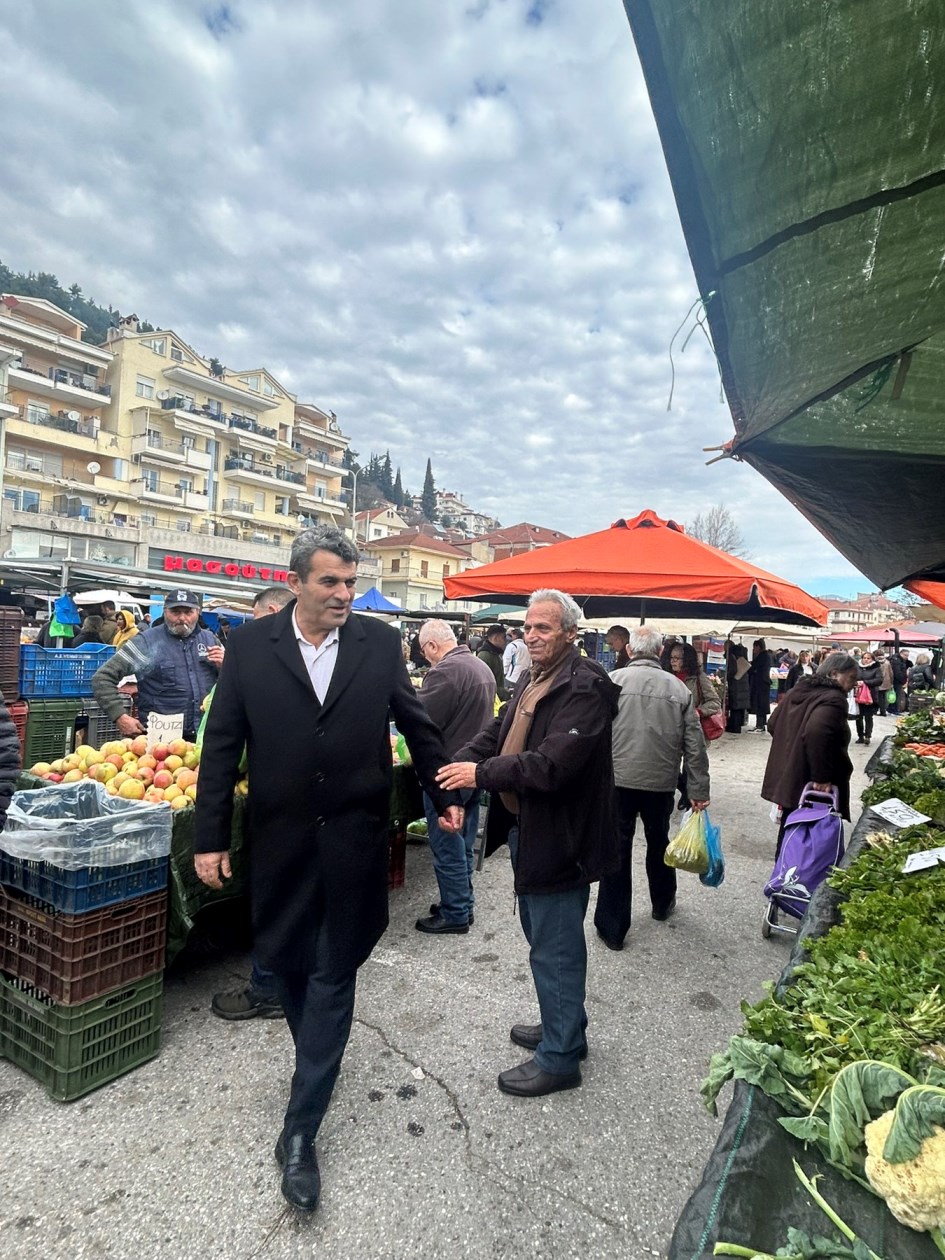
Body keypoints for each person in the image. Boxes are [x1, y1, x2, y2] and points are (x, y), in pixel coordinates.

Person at [194, 527, 462, 1213]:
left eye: (350, 581)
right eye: (331, 583)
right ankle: (315, 1057)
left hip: (353, 839)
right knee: (284, 964)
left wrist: (444, 792)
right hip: (279, 841)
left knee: (331, 969)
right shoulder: (252, 646)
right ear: (296, 584)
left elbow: (415, 725)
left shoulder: (377, 643)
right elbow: (222, 745)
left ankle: (299, 1128)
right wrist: (208, 837)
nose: (345, 594)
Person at [437, 589, 618, 1099]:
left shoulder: (585, 687)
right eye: (528, 627)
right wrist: (457, 772)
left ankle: (560, 1058)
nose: (531, 636)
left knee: (555, 947)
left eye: (543, 628)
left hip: (562, 837)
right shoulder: (533, 676)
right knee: (544, 939)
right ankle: (566, 1026)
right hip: (529, 829)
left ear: (570, 634)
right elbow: (498, 731)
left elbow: (552, 766)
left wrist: (480, 772)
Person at [594, 625, 710, 949]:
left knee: (616, 849)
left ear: (629, 651)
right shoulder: (678, 690)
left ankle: (613, 927)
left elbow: (594, 734)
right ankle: (662, 903)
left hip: (617, 781)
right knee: (659, 841)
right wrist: (698, 789)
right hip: (661, 782)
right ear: (659, 652)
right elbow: (694, 746)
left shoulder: (611, 682)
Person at [211, 585, 295, 1022]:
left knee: (276, 898)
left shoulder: (257, 659)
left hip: (277, 806)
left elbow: (229, 747)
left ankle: (269, 986)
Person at [414, 619, 495, 933]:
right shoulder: (479, 666)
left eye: (424, 652)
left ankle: (456, 912)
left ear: (432, 646)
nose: (426, 658)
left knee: (447, 845)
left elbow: (421, 721)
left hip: (448, 773)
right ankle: (462, 901)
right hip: (472, 770)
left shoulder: (446, 671)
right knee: (461, 842)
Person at [91, 590, 224, 741]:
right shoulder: (146, 642)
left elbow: (228, 684)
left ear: (198, 612)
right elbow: (102, 678)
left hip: (205, 735)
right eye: (175, 612)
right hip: (162, 740)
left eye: (188, 612)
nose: (182, 618)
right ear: (165, 612)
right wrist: (120, 717)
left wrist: (224, 667)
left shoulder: (210, 640)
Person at [762, 651, 859, 856]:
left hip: (791, 774)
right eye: (851, 678)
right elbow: (817, 733)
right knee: (813, 831)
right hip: (813, 780)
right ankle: (801, 879)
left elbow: (773, 724)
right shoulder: (834, 699)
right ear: (834, 674)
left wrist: (790, 746)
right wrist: (821, 776)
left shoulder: (800, 690)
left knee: (791, 827)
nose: (854, 684)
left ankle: (783, 875)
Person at [660, 640, 719, 810]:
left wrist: (698, 712)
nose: (674, 661)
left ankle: (687, 797)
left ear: (687, 660)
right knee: (670, 764)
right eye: (672, 657)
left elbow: (714, 702)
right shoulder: (666, 677)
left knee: (690, 765)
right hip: (670, 728)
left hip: (693, 729)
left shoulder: (699, 678)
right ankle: (683, 790)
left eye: (678, 658)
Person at [476, 623, 509, 702]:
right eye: (504, 637)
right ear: (496, 638)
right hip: (489, 701)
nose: (506, 640)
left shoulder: (495, 654)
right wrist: (504, 693)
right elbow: (483, 684)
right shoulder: (485, 656)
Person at [855, 651, 882, 745]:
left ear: (872, 659)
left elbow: (879, 680)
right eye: (864, 658)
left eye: (868, 658)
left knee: (868, 717)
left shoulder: (876, 668)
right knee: (858, 717)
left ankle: (868, 735)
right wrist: (856, 683)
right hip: (858, 695)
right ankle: (860, 736)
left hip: (870, 696)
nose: (866, 660)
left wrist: (865, 682)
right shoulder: (857, 668)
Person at [748, 637, 773, 731]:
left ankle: (760, 725)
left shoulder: (762, 656)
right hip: (764, 682)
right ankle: (762, 724)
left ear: (758, 647)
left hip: (761, 683)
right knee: (762, 704)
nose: (754, 650)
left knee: (760, 704)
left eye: (754, 647)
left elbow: (753, 666)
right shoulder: (766, 655)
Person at [725, 641, 751, 733]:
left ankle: (734, 727)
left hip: (736, 684)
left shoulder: (731, 656)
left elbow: (732, 670)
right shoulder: (740, 655)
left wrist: (727, 676)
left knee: (735, 706)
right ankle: (738, 726)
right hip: (742, 683)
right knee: (739, 707)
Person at [502, 626, 530, 693]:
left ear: (514, 635)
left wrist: (504, 673)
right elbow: (530, 663)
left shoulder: (512, 646)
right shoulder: (527, 647)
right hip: (523, 678)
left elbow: (506, 661)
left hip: (511, 678)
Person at [889, 647, 910, 714]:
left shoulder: (899, 660)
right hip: (896, 681)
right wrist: (902, 680)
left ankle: (892, 708)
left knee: (895, 695)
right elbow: (897, 672)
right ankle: (894, 709)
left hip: (897, 680)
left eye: (907, 655)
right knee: (896, 695)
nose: (906, 657)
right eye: (905, 655)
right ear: (901, 654)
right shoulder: (897, 661)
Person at [874, 650, 893, 716]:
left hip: (878, 682)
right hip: (887, 682)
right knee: (885, 697)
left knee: (879, 698)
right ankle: (884, 710)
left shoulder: (875, 663)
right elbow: (891, 673)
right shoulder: (887, 662)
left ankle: (880, 711)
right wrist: (891, 682)